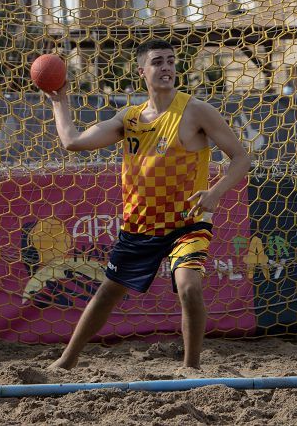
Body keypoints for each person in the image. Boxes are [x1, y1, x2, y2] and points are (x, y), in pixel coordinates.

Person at [44, 37, 251, 370]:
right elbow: (73, 142)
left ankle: (191, 368)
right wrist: (60, 101)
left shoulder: (196, 111)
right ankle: (66, 362)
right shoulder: (130, 117)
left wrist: (215, 193)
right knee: (108, 294)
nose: (166, 67)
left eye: (171, 61)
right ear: (142, 71)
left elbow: (241, 158)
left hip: (188, 222)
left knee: (189, 287)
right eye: (158, 62)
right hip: (140, 224)